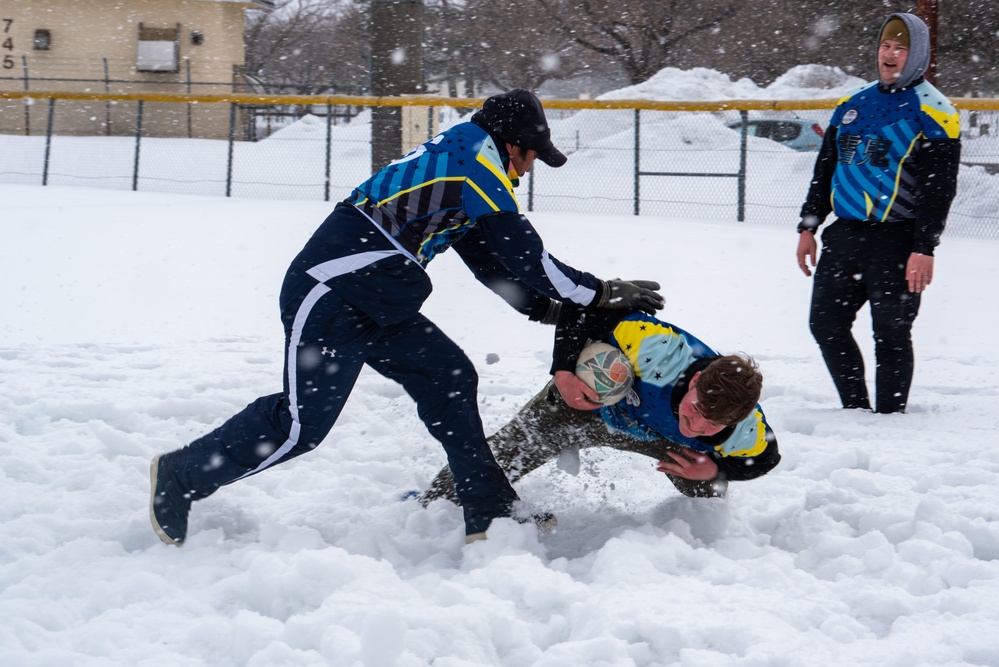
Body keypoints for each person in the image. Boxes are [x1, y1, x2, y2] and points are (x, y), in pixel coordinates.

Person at [149, 89, 664, 546]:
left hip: (376, 296)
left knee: (450, 376)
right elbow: (528, 258)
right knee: (300, 427)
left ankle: (487, 504)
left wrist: (549, 310)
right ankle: (180, 475)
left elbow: (493, 265)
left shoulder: (464, 168)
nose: (529, 169)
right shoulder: (476, 163)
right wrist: (601, 292)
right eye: (531, 157)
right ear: (511, 145)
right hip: (330, 290)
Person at [420, 304, 780, 512]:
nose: (696, 424)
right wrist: (563, 372)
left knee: (710, 495)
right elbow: (583, 310)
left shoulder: (747, 431)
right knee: (501, 456)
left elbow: (766, 460)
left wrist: (715, 470)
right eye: (696, 408)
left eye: (712, 424)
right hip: (587, 405)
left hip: (660, 441)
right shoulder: (658, 347)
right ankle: (429, 507)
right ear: (696, 381)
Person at [795, 12, 961, 413]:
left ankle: (890, 417)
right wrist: (808, 226)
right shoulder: (853, 104)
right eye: (885, 46)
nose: (890, 55)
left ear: (916, 55)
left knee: (891, 333)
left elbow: (939, 191)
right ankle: (855, 409)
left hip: (898, 241)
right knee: (825, 324)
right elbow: (826, 170)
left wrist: (925, 247)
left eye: (900, 48)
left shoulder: (935, 110)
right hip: (846, 235)